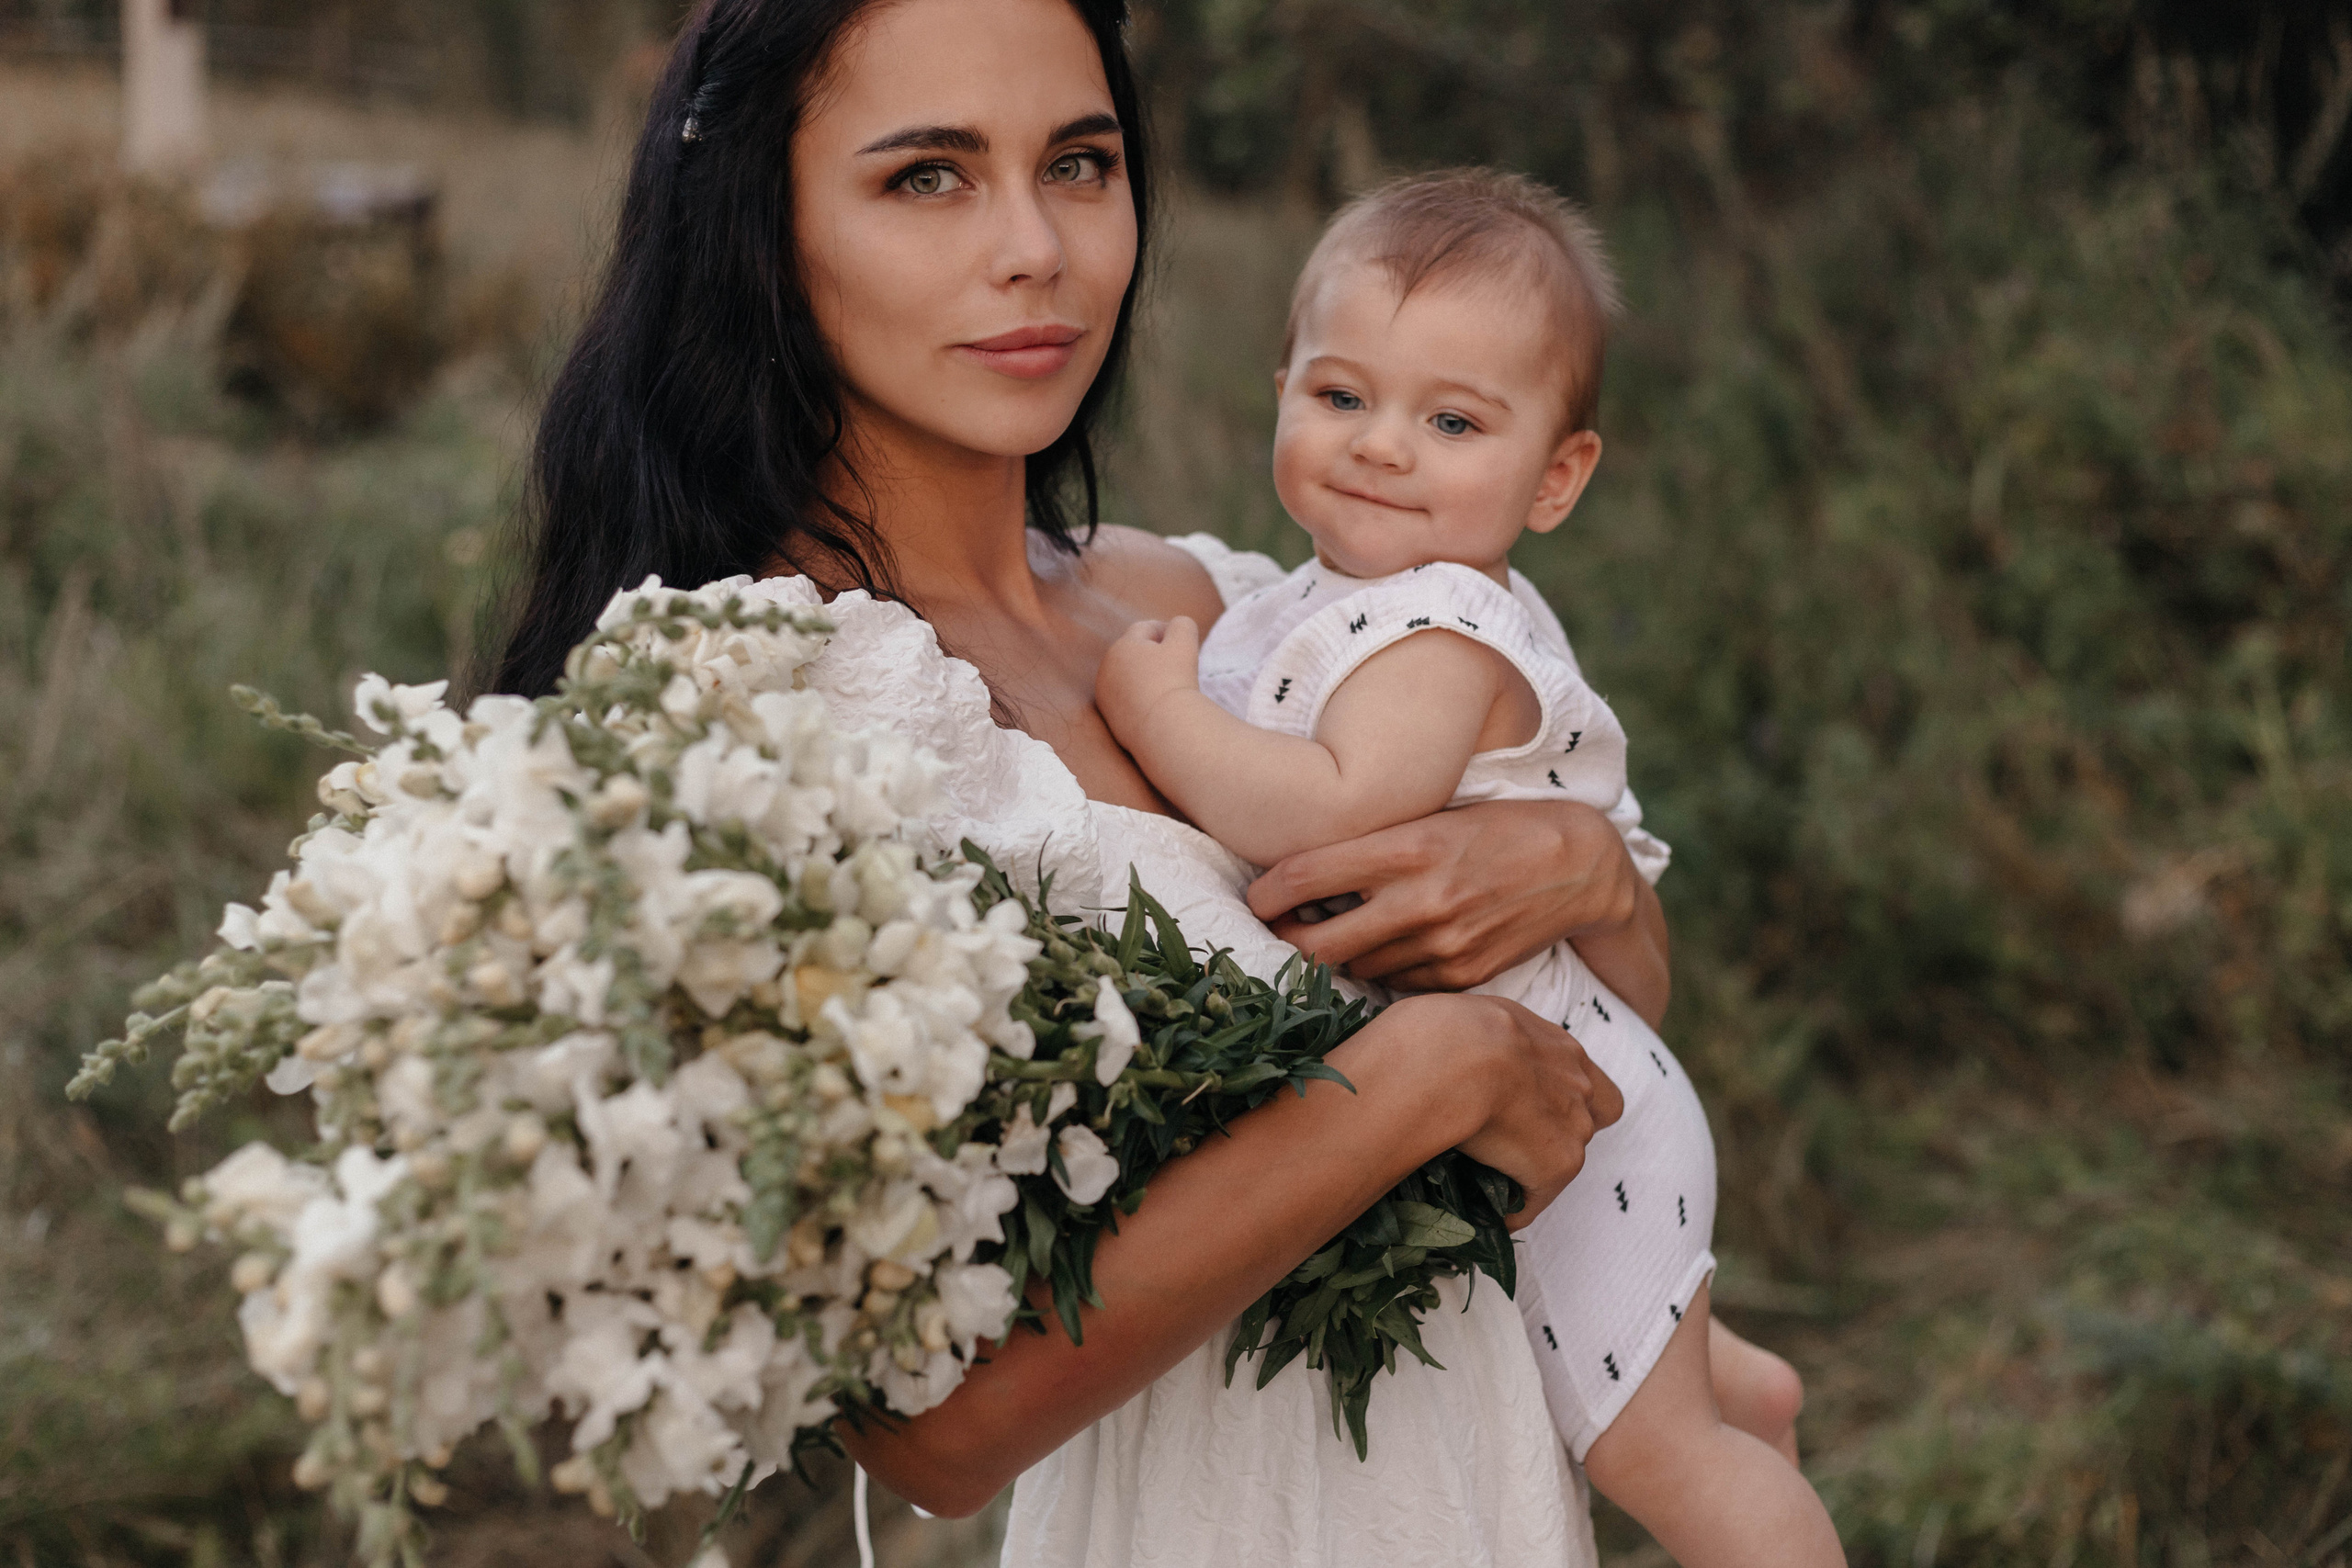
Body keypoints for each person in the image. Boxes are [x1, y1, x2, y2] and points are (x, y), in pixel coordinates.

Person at [493, 0, 1678, 1561]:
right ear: (761, 228)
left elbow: (1614, 1025)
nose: (1036, 248)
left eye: (1078, 163)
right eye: (927, 176)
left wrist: (1582, 872)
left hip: (1474, 1494)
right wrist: (1421, 1081)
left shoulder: (1234, 608)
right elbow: (933, 1426)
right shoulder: (761, 730)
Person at [1094, 169, 1844, 1567]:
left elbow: (1327, 812)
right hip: (1528, 1089)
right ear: (1281, 389)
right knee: (1643, 1375)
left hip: (1572, 1111)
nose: (1382, 447)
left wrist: (1160, 714)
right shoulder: (1323, 599)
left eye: (1451, 421)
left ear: (1554, 477)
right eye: (1339, 397)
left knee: (1656, 1457)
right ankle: (1741, 1378)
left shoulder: (1442, 623)